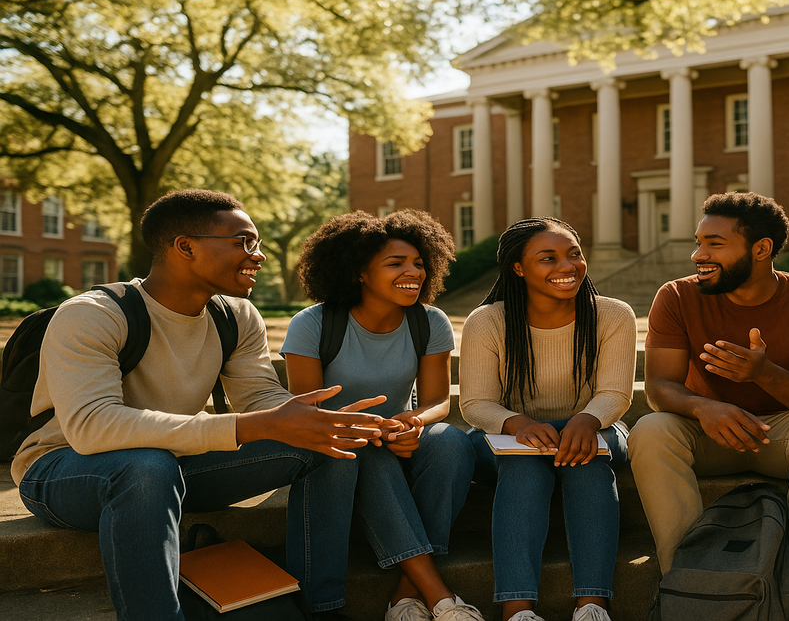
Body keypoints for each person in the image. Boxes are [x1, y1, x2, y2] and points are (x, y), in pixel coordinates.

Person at [12, 189, 389, 621]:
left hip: (177, 465)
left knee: (329, 443)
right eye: (244, 242)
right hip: (66, 470)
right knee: (145, 466)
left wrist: (313, 419)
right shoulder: (94, 314)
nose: (258, 256)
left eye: (259, 243)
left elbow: (260, 398)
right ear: (185, 247)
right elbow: (93, 427)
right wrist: (245, 427)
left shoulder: (237, 316)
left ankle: (320, 608)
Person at [628, 191, 789, 575]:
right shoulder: (676, 296)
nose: (698, 255)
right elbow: (659, 387)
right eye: (698, 242)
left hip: (785, 429)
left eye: (714, 244)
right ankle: (687, 582)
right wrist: (705, 407)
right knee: (651, 429)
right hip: (708, 432)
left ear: (761, 249)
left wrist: (764, 373)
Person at [281, 210, 482, 621]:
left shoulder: (429, 322)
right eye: (396, 264)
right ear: (359, 272)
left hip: (400, 441)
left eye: (419, 264)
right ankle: (439, 597)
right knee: (365, 449)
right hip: (336, 452)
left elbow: (438, 402)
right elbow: (305, 411)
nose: (414, 272)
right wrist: (364, 429)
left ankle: (405, 594)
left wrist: (414, 423)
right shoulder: (313, 324)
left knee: (452, 441)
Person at [459, 217, 636, 621]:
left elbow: (615, 393)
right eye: (548, 258)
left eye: (574, 253)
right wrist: (517, 424)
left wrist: (587, 420)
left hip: (597, 428)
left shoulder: (612, 315)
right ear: (518, 269)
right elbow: (476, 403)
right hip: (507, 436)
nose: (567, 266)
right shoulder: (488, 321)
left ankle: (592, 606)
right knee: (524, 463)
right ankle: (518, 610)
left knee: (587, 457)